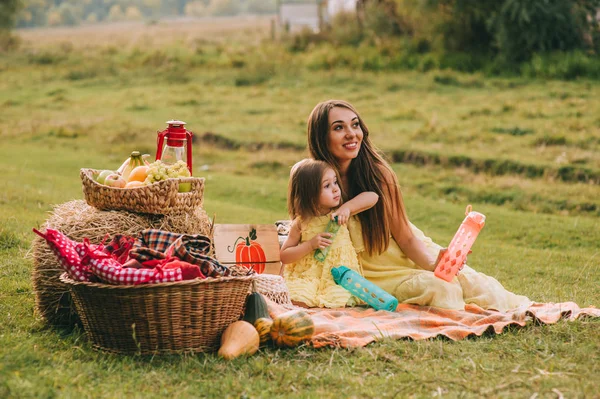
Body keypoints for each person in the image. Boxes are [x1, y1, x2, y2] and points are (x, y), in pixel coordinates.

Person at [306, 100, 531, 312]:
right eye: (338, 128)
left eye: (355, 125)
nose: (351, 134)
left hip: (406, 253)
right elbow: (306, 225)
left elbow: (405, 238)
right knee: (441, 289)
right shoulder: (315, 179)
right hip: (367, 274)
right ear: (321, 138)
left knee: (476, 287)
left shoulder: (378, 175)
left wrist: (433, 264)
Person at [280, 159, 378, 308]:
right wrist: (309, 245)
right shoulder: (302, 222)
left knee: (338, 299)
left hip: (338, 277)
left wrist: (347, 208)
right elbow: (284, 256)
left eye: (335, 182)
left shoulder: (339, 214)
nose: (335, 189)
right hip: (309, 276)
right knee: (299, 297)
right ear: (310, 194)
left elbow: (373, 197)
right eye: (327, 185)